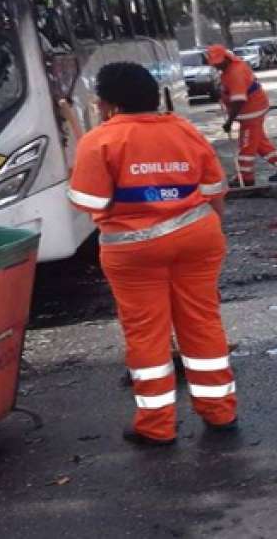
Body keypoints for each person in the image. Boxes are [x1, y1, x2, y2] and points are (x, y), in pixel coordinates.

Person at [68, 62, 236, 446]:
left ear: (106, 102)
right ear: (153, 95)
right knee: (203, 323)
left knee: (147, 333)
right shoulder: (184, 129)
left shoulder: (99, 140)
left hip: (133, 250)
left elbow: (87, 201)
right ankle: (220, 413)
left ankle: (156, 425)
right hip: (197, 238)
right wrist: (212, 230)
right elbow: (214, 191)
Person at [205, 45, 277, 186]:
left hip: (251, 112)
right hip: (255, 107)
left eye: (219, 63)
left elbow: (239, 100)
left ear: (226, 58)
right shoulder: (234, 65)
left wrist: (229, 121)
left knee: (246, 145)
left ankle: (245, 177)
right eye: (215, 64)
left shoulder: (235, 73)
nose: (217, 66)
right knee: (259, 142)